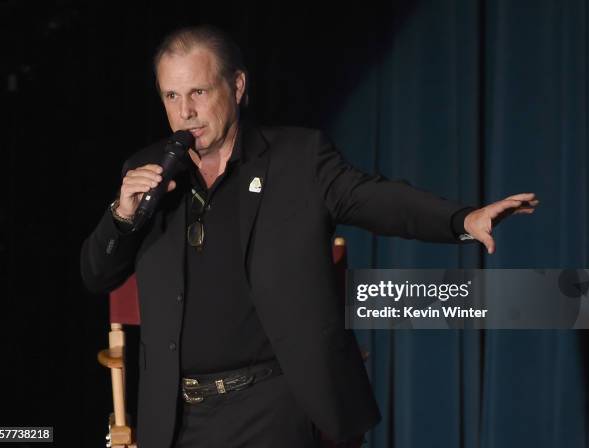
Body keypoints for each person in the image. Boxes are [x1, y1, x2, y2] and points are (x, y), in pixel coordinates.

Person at [80, 25, 538, 448]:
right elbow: (97, 275)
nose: (186, 112)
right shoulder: (149, 174)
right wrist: (121, 215)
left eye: (198, 91)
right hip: (178, 417)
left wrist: (462, 219)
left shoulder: (298, 158)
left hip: (273, 405)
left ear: (237, 87)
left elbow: (375, 199)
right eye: (172, 95)